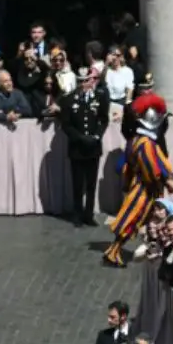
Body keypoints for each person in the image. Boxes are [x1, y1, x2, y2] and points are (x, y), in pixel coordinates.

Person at [103, 94, 171, 267]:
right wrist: (161, 181)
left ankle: (150, 249)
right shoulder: (145, 143)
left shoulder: (137, 139)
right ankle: (113, 252)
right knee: (132, 220)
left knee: (147, 221)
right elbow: (151, 170)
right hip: (144, 188)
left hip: (143, 185)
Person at [61, 67, 108, 226]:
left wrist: (97, 136)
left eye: (86, 80)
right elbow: (66, 125)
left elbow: (103, 119)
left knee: (91, 183)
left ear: (92, 80)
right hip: (77, 147)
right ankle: (77, 213)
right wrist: (80, 138)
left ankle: (89, 214)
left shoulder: (99, 97)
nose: (83, 84)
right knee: (77, 183)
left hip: (93, 146)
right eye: (80, 81)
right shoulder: (68, 99)